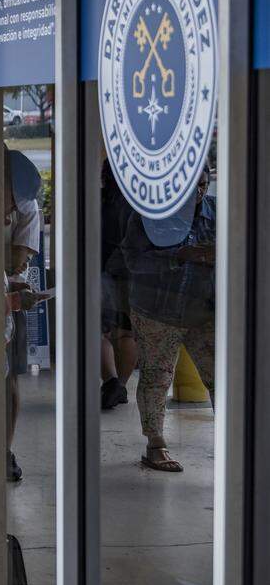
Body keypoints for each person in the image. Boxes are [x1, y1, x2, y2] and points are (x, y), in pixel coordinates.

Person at [122, 170, 216, 472]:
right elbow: (133, 261)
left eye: (203, 185)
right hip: (156, 310)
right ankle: (155, 444)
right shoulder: (150, 215)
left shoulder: (218, 213)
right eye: (192, 186)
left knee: (223, 376)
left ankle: (232, 438)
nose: (198, 193)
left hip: (205, 309)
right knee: (156, 377)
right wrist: (183, 255)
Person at [3, 148, 44, 483]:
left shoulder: (26, 203)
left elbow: (16, 263)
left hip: (11, 299)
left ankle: (3, 449)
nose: (9, 212)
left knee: (8, 381)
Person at [99, 158, 137, 409]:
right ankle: (121, 385)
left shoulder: (95, 200)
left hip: (98, 271)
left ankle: (111, 380)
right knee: (127, 333)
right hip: (133, 273)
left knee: (96, 331)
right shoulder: (139, 204)